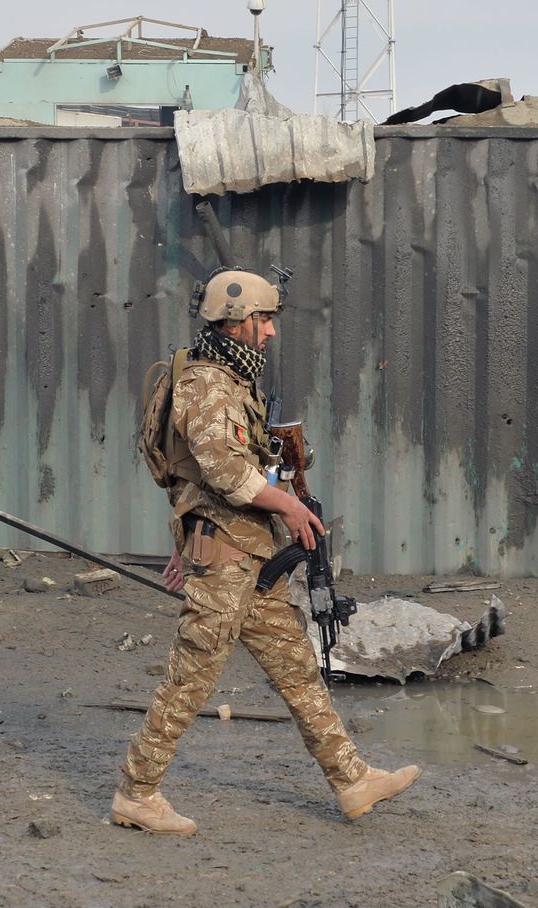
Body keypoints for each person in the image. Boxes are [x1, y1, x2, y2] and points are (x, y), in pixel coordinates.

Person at [110, 268, 421, 837]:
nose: (272, 332)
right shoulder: (207, 384)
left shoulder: (233, 381)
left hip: (248, 555)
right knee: (191, 678)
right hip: (226, 557)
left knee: (298, 668)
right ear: (237, 321)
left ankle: (351, 779)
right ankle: (138, 792)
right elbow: (223, 472)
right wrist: (289, 507)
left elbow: (209, 474)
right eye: (265, 319)